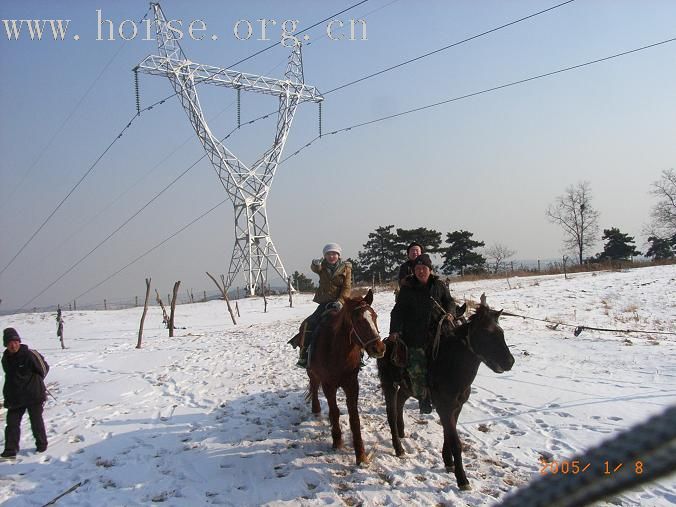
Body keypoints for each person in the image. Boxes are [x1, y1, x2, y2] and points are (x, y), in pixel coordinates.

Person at [388, 254, 457, 414]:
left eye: (424, 268)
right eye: (417, 269)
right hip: (415, 336)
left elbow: (449, 301)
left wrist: (450, 313)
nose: (420, 271)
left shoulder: (439, 285)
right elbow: (397, 312)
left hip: (439, 333)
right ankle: (423, 396)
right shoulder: (408, 288)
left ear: (430, 270)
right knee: (417, 366)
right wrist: (394, 331)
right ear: (413, 271)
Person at [291, 243, 352, 368]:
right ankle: (304, 354)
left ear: (338, 255)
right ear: (325, 256)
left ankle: (359, 356)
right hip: (324, 303)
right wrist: (315, 264)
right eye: (328, 254)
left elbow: (347, 287)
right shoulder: (322, 266)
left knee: (354, 324)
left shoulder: (346, 268)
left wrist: (340, 301)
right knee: (309, 323)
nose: (331, 256)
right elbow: (315, 269)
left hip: (340, 303)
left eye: (334, 254)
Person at [2, 328, 49, 459]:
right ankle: (10, 450)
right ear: (6, 344)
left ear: (19, 342)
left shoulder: (29, 354)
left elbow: (44, 369)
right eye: (10, 343)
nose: (13, 345)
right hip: (15, 397)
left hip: (33, 395)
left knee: (36, 421)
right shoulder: (5, 359)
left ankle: (42, 444)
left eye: (15, 342)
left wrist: (36, 383)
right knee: (11, 423)